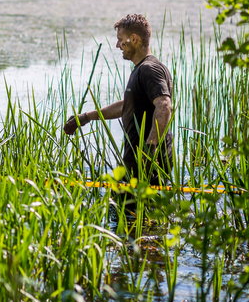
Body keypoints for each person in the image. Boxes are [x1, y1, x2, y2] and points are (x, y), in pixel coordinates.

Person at [63, 13, 174, 195]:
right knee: (131, 215)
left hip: (146, 161)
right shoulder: (142, 68)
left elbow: (164, 106)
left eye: (120, 40)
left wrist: (149, 149)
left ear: (134, 39)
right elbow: (128, 105)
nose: (117, 45)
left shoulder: (149, 69)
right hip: (139, 160)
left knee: (131, 216)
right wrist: (86, 117)